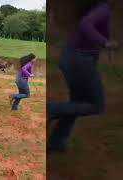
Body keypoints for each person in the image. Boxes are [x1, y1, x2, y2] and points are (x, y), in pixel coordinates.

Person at [48, 0, 118, 153]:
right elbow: (85, 24)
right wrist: (105, 42)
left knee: (76, 104)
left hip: (70, 57)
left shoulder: (95, 7)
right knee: (96, 106)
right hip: (80, 60)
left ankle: (56, 143)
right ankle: (50, 109)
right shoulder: (103, 7)